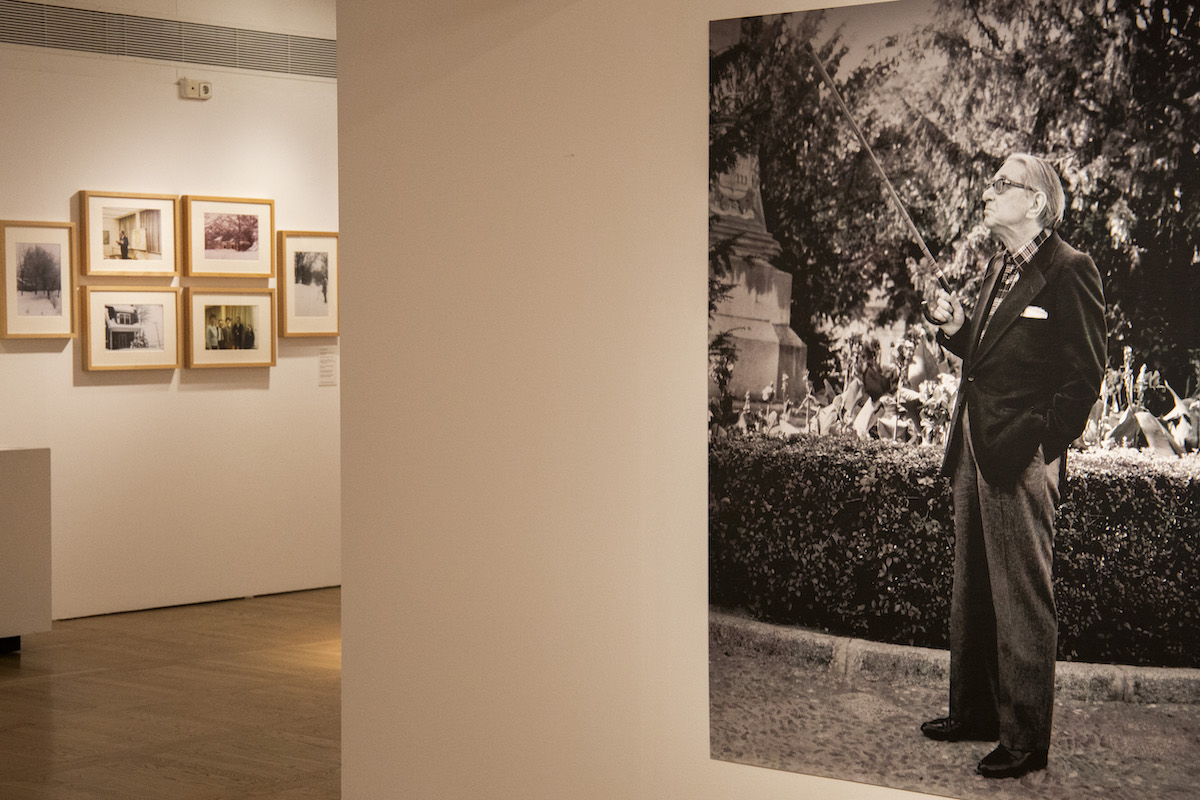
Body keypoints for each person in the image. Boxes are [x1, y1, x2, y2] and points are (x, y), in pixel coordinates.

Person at [921, 153, 1106, 779]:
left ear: (1035, 202)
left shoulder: (1069, 270)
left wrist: (1041, 444)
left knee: (1023, 595)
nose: (988, 190)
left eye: (1003, 184)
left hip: (1020, 454)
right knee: (972, 585)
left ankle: (1026, 739)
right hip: (972, 446)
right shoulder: (999, 264)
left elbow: (1084, 378)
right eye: (991, 182)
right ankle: (974, 712)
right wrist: (954, 327)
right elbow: (985, 353)